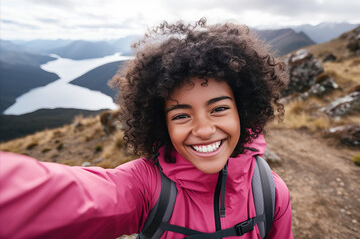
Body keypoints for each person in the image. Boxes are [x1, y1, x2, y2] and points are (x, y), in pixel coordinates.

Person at [0, 18, 293, 238]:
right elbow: (62, 198)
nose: (203, 129)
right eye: (181, 115)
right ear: (161, 123)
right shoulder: (146, 187)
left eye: (218, 109)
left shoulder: (270, 193)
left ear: (242, 111)